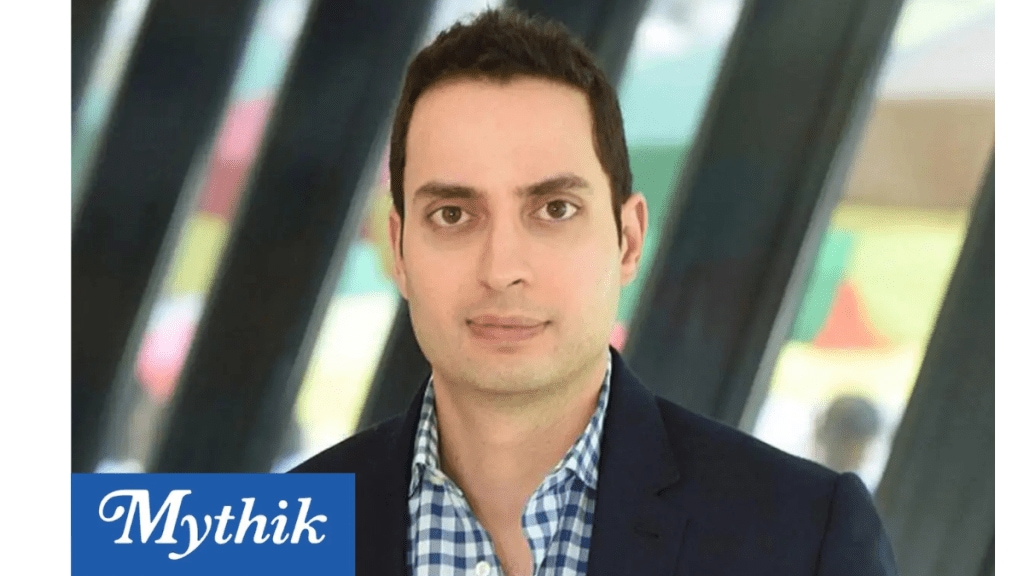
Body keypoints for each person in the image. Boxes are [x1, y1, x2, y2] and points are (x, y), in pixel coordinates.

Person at [293, 8, 898, 576]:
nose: (502, 269)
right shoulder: (273, 537)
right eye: (452, 214)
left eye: (554, 209)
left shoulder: (806, 538)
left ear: (628, 241)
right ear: (398, 251)